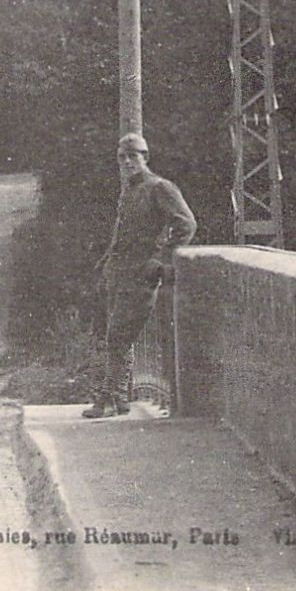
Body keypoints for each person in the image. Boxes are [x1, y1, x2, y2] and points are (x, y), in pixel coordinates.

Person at [84, 132, 197, 419]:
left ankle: (109, 398)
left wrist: (160, 258)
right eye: (122, 157)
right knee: (116, 336)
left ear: (145, 157)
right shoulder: (130, 190)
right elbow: (123, 234)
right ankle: (120, 398)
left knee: (118, 336)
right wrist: (106, 262)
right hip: (119, 274)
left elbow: (186, 224)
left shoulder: (160, 187)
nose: (127, 162)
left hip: (141, 276)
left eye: (133, 156)